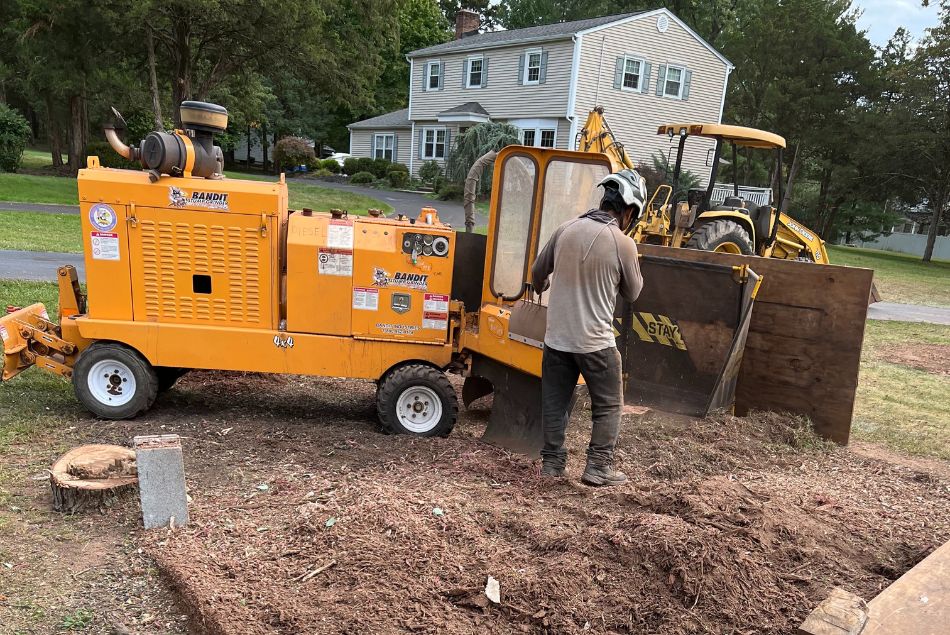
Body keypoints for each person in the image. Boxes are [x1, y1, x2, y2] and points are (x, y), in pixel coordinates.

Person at [530, 169, 646, 486]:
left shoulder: (565, 230)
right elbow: (633, 293)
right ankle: (598, 467)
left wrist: (545, 281)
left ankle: (552, 466)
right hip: (595, 344)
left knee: (554, 404)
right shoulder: (623, 243)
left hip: (556, 340)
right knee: (609, 405)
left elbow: (537, 274)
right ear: (629, 210)